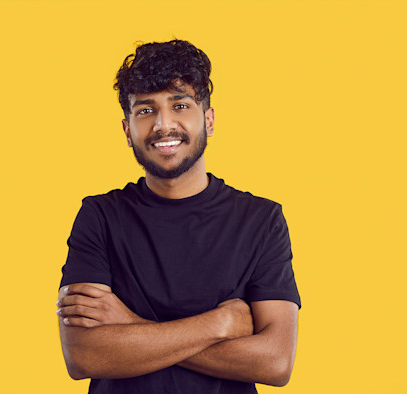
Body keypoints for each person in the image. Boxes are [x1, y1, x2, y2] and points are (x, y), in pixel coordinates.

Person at [56, 39, 301, 393]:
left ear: (209, 119)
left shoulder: (261, 220)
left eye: (180, 105)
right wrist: (220, 323)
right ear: (128, 131)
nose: (163, 124)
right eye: (145, 110)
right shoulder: (99, 216)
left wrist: (129, 324)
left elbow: (275, 363)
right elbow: (84, 355)